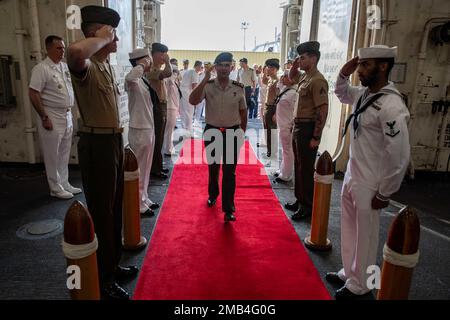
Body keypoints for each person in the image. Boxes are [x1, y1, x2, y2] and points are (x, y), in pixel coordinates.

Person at [326, 45, 410, 299]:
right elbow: (341, 93)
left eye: (365, 65)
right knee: (350, 228)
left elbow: (399, 154)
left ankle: (362, 286)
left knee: (368, 236)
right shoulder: (365, 94)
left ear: (383, 66)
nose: (360, 70)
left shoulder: (391, 105)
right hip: (354, 174)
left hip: (372, 181)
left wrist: (385, 192)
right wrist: (343, 72)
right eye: (359, 65)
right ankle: (350, 273)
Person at [67, 5, 138, 300]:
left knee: (115, 207)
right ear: (98, 33)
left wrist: (104, 39)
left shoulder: (105, 64)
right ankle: (103, 275)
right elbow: (74, 53)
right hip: (96, 145)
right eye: (113, 35)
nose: (117, 42)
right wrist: (99, 36)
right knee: (102, 212)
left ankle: (112, 262)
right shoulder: (86, 65)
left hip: (112, 143)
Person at [189, 52, 247, 222]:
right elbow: (192, 100)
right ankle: (213, 195)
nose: (223, 68)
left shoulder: (238, 87)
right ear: (215, 67)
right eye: (220, 65)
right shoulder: (208, 85)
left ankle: (229, 208)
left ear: (232, 67)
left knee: (230, 172)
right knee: (213, 169)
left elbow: (243, 113)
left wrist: (241, 133)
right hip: (212, 131)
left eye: (227, 65)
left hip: (232, 132)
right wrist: (205, 78)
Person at [29, 35, 81, 199]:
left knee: (64, 152)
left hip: (66, 114)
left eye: (63, 48)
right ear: (48, 49)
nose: (62, 51)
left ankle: (64, 183)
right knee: (52, 154)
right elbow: (33, 93)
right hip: (51, 114)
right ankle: (55, 187)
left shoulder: (64, 67)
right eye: (59, 48)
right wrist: (44, 116)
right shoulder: (41, 68)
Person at [285, 41, 329, 221]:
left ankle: (307, 206)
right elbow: (291, 77)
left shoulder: (317, 80)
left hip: (308, 127)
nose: (299, 60)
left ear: (314, 58)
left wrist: (316, 136)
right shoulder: (305, 77)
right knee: (299, 166)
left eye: (302, 58)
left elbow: (322, 110)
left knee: (306, 169)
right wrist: (295, 65)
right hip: (298, 126)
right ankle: (299, 199)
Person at [125, 48, 160, 216]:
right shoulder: (133, 79)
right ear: (140, 61)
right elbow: (130, 77)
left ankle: (143, 197)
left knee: (146, 168)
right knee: (138, 168)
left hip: (148, 127)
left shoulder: (143, 80)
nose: (150, 61)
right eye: (147, 59)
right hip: (139, 129)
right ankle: (137, 203)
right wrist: (141, 65)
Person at [148, 42, 172, 179]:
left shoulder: (157, 68)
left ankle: (158, 165)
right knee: (157, 138)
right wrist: (168, 62)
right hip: (156, 106)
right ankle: (154, 169)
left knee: (160, 137)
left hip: (162, 105)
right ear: (155, 54)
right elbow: (168, 73)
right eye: (162, 54)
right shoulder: (152, 69)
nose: (164, 57)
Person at [273, 70, 298, 183]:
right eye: (282, 76)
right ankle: (283, 169)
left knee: (288, 150)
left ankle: (287, 175)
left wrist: (293, 125)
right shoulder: (285, 89)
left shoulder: (294, 92)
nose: (282, 78)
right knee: (284, 149)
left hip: (288, 125)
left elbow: (296, 111)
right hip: (282, 124)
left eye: (285, 76)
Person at [163, 58, 181, 156]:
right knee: (169, 129)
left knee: (170, 129)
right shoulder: (169, 81)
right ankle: (168, 149)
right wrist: (171, 73)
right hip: (169, 107)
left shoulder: (174, 82)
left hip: (173, 107)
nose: (176, 74)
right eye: (175, 72)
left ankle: (169, 148)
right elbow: (169, 80)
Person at [262, 58, 280, 158]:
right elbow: (264, 81)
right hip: (267, 107)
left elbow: (278, 98)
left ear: (275, 69)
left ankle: (272, 152)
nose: (268, 69)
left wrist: (276, 113)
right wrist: (264, 72)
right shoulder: (270, 79)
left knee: (272, 131)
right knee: (267, 130)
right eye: (267, 67)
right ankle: (270, 150)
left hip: (273, 108)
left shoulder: (277, 81)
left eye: (270, 67)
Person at [179, 60, 202, 137]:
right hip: (187, 93)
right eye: (200, 67)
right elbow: (194, 87)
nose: (201, 69)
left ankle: (184, 130)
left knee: (183, 111)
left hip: (182, 92)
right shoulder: (195, 73)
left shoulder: (188, 71)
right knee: (189, 111)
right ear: (197, 66)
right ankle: (188, 131)